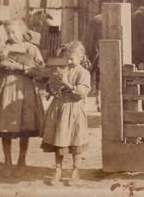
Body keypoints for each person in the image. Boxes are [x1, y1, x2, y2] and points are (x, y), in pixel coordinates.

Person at [0, 19, 45, 178]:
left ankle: (22, 161)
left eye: (14, 32)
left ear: (23, 32)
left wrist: (20, 67)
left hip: (24, 91)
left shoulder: (31, 49)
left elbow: (40, 71)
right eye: (8, 33)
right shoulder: (3, 49)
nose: (12, 36)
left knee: (24, 127)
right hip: (6, 90)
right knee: (6, 128)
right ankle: (7, 162)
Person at [41, 41, 91, 185]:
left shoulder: (84, 73)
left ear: (80, 57)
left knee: (76, 141)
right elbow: (51, 88)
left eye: (71, 59)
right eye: (67, 58)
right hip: (59, 108)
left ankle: (75, 171)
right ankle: (58, 170)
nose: (68, 61)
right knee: (59, 139)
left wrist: (67, 83)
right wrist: (53, 84)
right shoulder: (63, 69)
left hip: (74, 109)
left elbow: (81, 93)